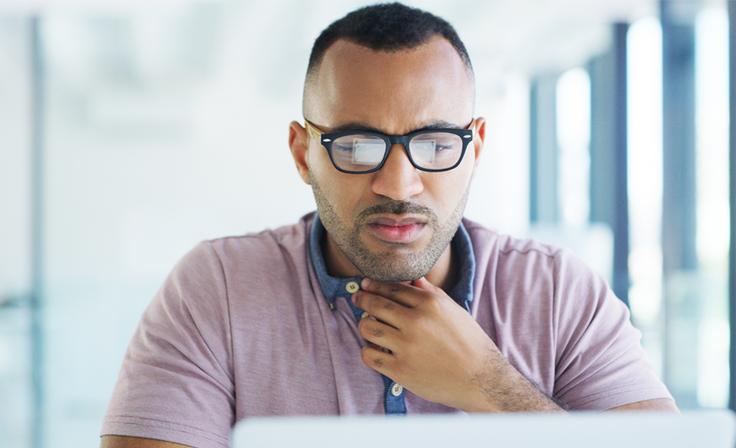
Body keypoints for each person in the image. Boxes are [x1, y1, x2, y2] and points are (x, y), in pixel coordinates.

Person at [100, 3, 677, 447]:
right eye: (355, 145)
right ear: (303, 154)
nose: (399, 185)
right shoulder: (217, 289)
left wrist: (489, 387)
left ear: (474, 148)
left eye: (434, 143)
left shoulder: (557, 292)